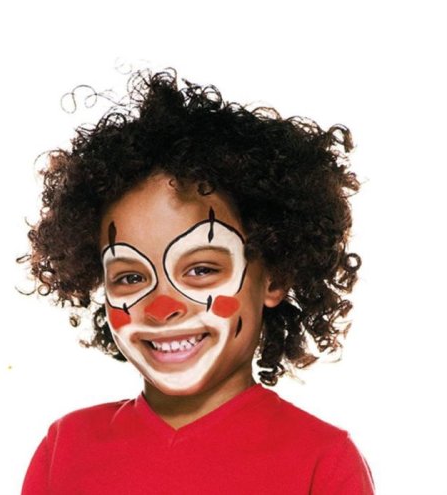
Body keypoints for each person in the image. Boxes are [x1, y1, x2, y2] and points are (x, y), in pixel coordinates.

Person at [19, 67, 375, 494]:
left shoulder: (322, 460)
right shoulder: (66, 448)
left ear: (274, 278)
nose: (162, 307)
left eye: (201, 270)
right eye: (130, 276)